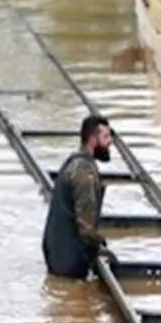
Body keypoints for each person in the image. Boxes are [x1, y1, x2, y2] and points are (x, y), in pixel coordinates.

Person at [42, 114, 120, 278]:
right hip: (68, 261)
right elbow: (85, 227)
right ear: (92, 140)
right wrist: (102, 245)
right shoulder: (84, 172)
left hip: (56, 255)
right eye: (105, 136)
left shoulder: (72, 162)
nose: (110, 141)